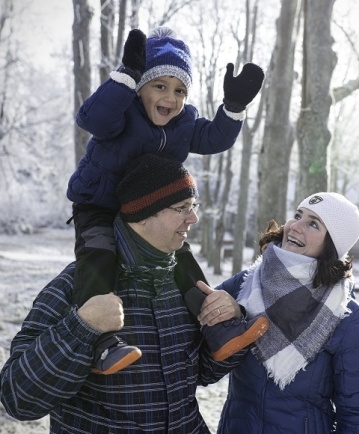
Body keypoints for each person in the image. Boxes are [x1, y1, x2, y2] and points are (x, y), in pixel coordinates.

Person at [0, 154, 263, 433]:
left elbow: (197, 373)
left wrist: (228, 319)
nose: (194, 218)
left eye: (193, 206)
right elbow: (18, 399)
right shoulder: (76, 287)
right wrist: (81, 328)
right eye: (182, 207)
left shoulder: (184, 285)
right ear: (143, 214)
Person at [66, 26, 266, 374]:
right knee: (98, 258)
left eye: (180, 90)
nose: (170, 98)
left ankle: (215, 327)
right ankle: (102, 342)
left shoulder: (184, 122)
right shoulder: (120, 113)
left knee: (183, 261)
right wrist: (125, 76)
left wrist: (233, 108)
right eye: (160, 86)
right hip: (100, 201)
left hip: (150, 211)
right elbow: (90, 118)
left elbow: (215, 138)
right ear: (140, 87)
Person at [207, 192, 359, 433]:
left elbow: (357, 417)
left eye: (313, 224)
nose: (295, 226)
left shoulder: (346, 317)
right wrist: (236, 316)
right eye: (298, 215)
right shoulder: (245, 285)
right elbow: (200, 322)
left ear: (331, 246)